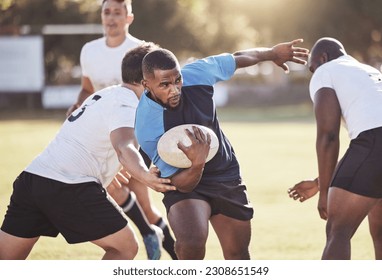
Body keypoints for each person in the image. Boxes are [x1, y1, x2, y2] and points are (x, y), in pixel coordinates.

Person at [134, 39, 309, 259]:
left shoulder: (197, 73)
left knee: (238, 255)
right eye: (165, 85)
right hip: (186, 183)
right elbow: (181, 184)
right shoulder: (147, 126)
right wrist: (197, 163)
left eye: (177, 80)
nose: (175, 89)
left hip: (224, 173)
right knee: (191, 244)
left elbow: (237, 58)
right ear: (146, 84)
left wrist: (271, 53)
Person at [0, 42, 175, 260]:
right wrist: (146, 177)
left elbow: (100, 140)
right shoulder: (127, 102)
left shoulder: (106, 95)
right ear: (145, 80)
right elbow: (124, 146)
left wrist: (113, 166)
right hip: (69, 185)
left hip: (33, 180)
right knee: (125, 247)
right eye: (163, 79)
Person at [66, 0, 177, 260]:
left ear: (129, 18)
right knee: (132, 201)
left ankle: (165, 248)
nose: (112, 18)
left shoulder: (142, 53)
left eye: (118, 12)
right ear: (101, 16)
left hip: (134, 133)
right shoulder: (89, 51)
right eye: (107, 12)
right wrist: (77, 103)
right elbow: (87, 88)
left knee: (130, 198)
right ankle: (158, 241)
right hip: (102, 134)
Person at [287, 37, 382, 260]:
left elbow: (329, 136)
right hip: (374, 146)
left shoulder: (326, 71)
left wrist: (325, 192)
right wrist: (322, 181)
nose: (313, 73)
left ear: (323, 58)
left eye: (312, 68)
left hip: (374, 144)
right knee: (380, 231)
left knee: (338, 231)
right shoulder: (370, 71)